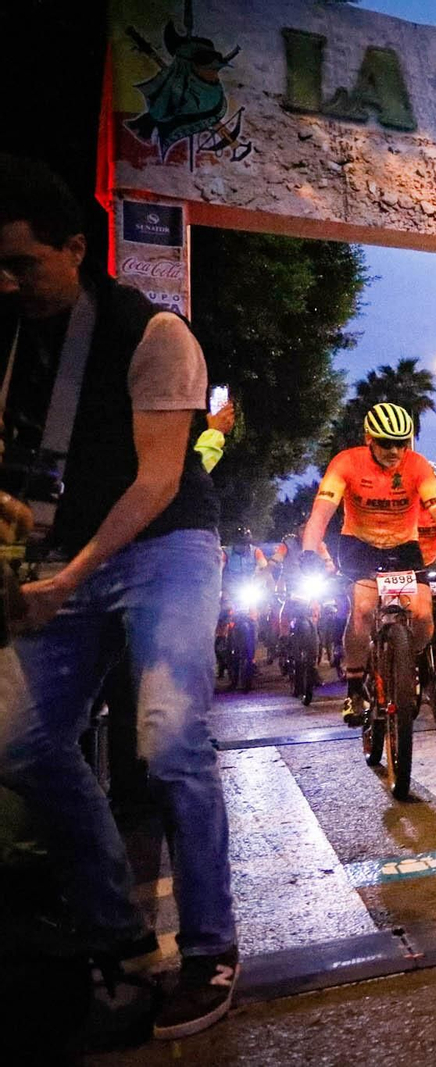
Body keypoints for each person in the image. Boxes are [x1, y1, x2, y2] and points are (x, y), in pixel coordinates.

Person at [0, 154, 236, 1038]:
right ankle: (115, 930)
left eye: (23, 263)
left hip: (165, 545)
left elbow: (157, 481)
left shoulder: (155, 333)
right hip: (64, 552)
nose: (8, 282)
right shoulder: (12, 335)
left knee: (170, 742)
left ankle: (211, 949)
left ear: (74, 248)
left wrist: (69, 577)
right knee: (18, 742)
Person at [302, 403, 436, 726]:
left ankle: (407, 665)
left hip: (403, 546)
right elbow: (322, 512)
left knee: (423, 615)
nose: (395, 451)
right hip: (359, 546)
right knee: (363, 610)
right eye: (386, 443)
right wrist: (309, 551)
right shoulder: (346, 463)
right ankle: (355, 688)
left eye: (402, 443)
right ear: (369, 439)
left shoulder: (417, 466)